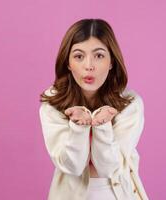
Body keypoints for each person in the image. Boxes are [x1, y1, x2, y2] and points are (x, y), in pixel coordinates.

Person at [39, 18, 149, 200]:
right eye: (79, 56)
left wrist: (101, 125)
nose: (89, 66)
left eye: (98, 55)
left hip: (118, 194)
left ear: (112, 61)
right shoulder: (53, 102)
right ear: (68, 62)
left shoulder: (130, 103)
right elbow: (71, 166)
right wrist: (79, 126)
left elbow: (109, 168)